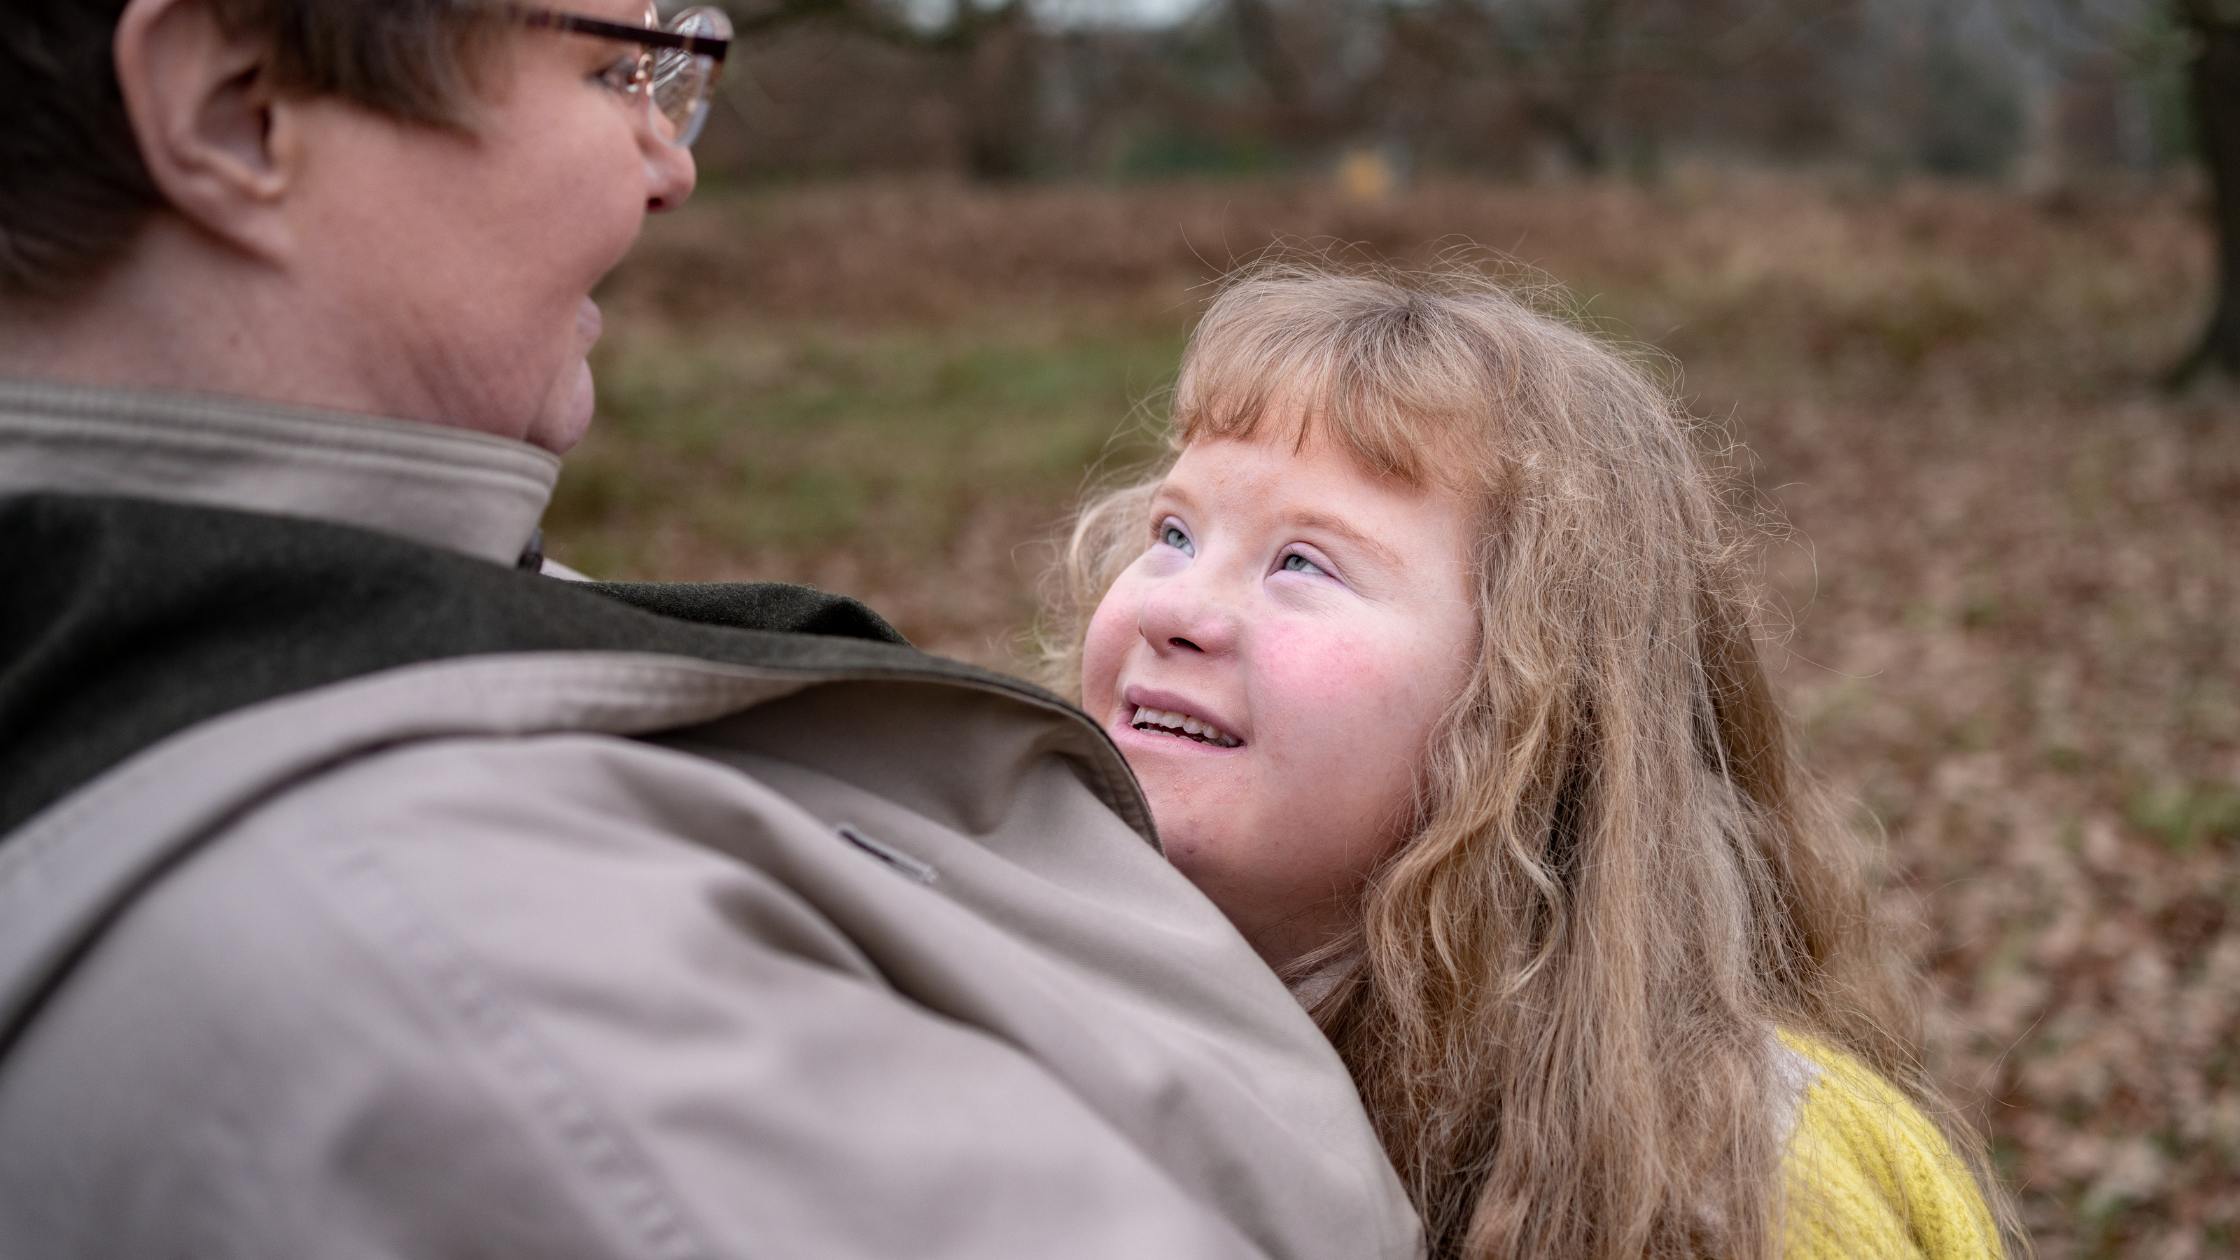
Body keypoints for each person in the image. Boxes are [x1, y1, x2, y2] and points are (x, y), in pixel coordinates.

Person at [0, 4, 1422, 1258]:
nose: (671, 165)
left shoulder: (323, 623)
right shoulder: (471, 986)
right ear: (236, 109)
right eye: (618, 73)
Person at [1038, 264, 2016, 1260]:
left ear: (1530, 705)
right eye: (1172, 532)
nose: (1169, 607)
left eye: (1301, 561)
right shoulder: (1013, 1032)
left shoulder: (1758, 1190)